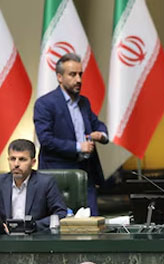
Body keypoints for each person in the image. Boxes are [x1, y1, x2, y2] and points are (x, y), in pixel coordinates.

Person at [33, 53, 108, 216]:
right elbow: (45, 140)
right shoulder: (45, 104)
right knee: (61, 228)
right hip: (58, 176)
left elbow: (98, 124)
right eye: (72, 74)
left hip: (85, 175)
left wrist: (101, 135)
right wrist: (78, 147)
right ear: (59, 77)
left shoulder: (84, 102)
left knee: (92, 226)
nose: (79, 79)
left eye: (80, 74)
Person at [0, 139, 67, 232]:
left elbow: (60, 213)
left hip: (35, 237)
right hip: (6, 238)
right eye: (12, 159)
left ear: (33, 162)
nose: (16, 164)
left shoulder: (46, 182)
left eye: (22, 159)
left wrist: (31, 226)